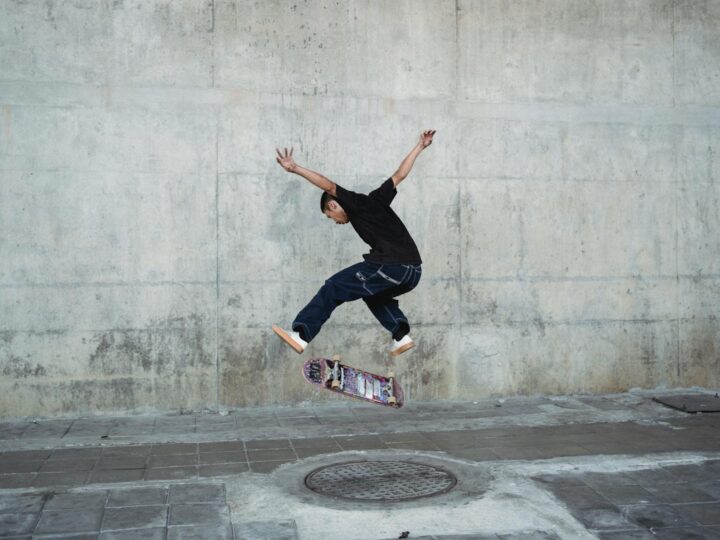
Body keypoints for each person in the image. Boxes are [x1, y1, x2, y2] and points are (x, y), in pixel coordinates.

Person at [272, 130, 436, 357]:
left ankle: (301, 335)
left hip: (391, 265)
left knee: (334, 286)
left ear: (333, 205)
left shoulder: (354, 203)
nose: (335, 221)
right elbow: (400, 175)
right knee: (373, 293)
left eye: (331, 216)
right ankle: (401, 336)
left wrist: (295, 168)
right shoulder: (376, 200)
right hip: (413, 272)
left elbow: (329, 186)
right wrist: (420, 146)